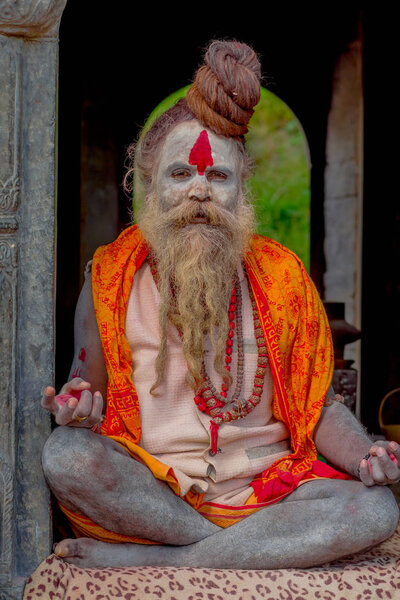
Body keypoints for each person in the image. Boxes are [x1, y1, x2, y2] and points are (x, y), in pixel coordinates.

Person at [41, 40, 399, 570]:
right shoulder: (110, 277)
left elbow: (319, 408)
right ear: (149, 187)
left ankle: (165, 560)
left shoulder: (283, 278)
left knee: (376, 509)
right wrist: (79, 407)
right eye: (180, 174)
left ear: (241, 191)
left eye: (218, 176)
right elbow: (86, 390)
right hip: (157, 492)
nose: (200, 191)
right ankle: (239, 551)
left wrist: (366, 454)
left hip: (270, 492)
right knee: (66, 457)